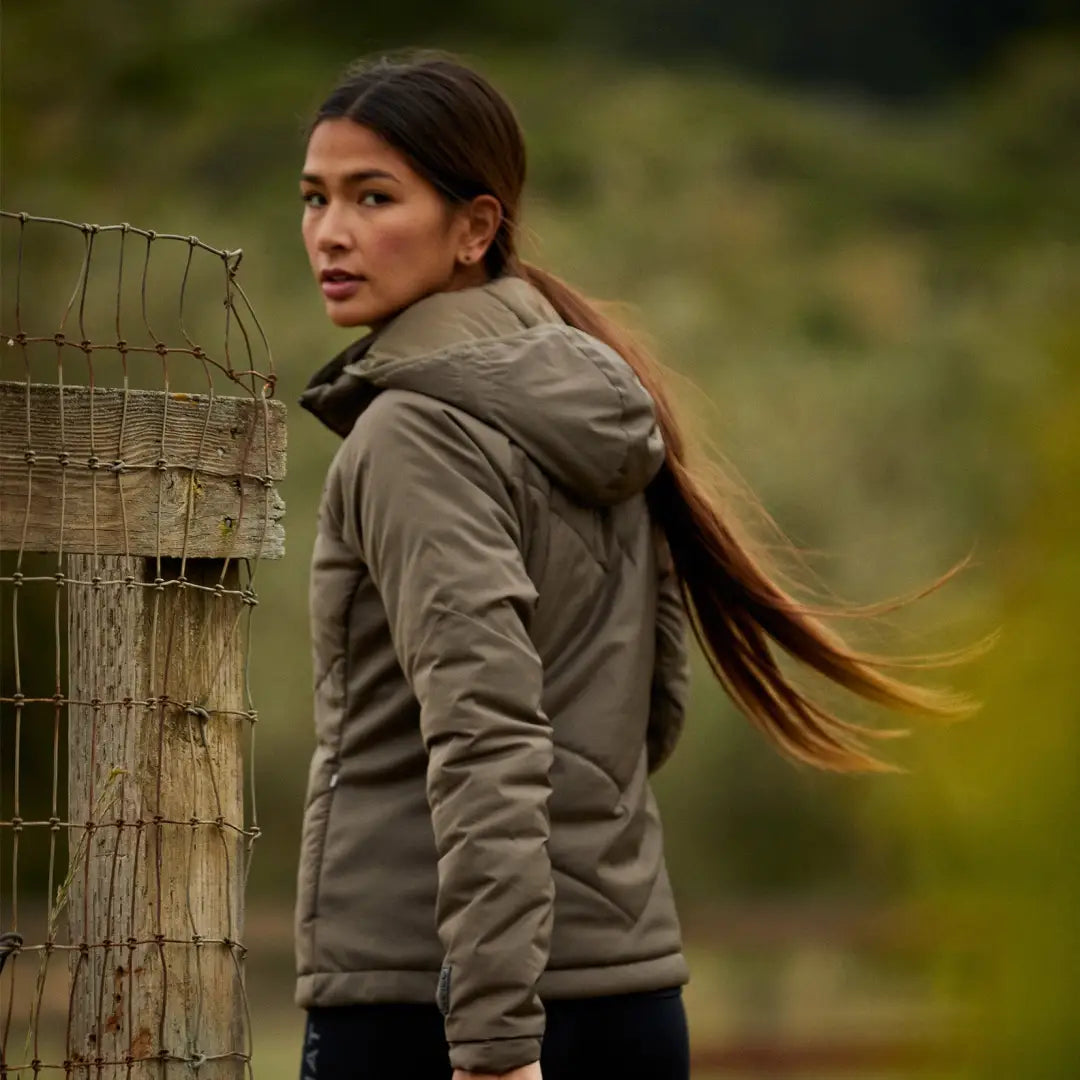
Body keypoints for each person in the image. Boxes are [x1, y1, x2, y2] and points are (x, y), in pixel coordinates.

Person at [294, 52, 973, 1080]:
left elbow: (484, 732)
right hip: (630, 997)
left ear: (475, 228)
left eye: (372, 196)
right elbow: (650, 707)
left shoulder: (416, 433)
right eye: (315, 198)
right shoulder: (601, 401)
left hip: (435, 1006)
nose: (330, 232)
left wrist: (492, 1041)